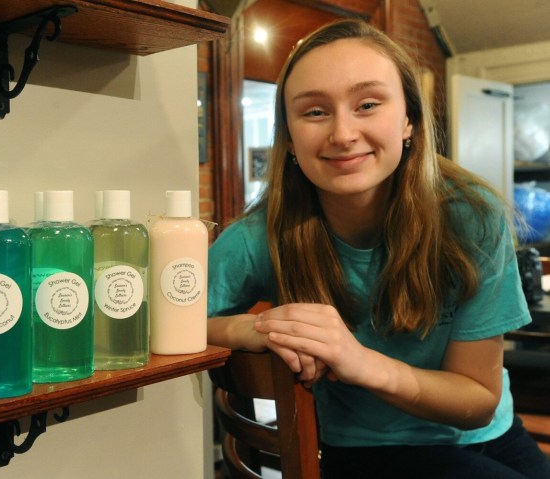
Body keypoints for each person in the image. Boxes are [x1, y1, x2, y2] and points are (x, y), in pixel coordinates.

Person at [207, 19, 550, 479]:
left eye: (367, 104)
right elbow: (169, 320)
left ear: (409, 118)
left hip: (493, 437)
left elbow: (477, 403)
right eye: (314, 112)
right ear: (287, 137)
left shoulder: (471, 215)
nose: (343, 133)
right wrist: (257, 329)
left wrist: (358, 360)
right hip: (364, 451)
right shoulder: (262, 234)